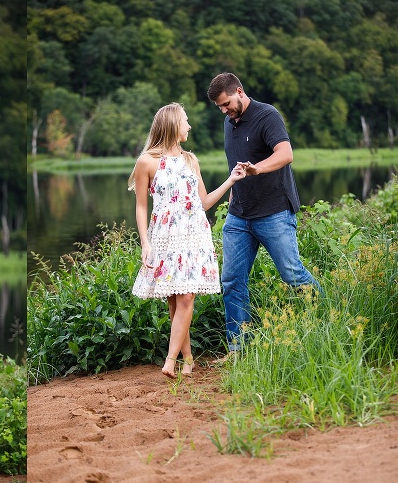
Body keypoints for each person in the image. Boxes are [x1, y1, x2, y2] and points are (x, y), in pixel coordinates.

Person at [207, 72, 321, 358]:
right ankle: (239, 348)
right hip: (238, 217)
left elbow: (285, 153)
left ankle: (328, 320)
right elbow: (235, 167)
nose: (224, 110)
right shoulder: (228, 122)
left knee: (293, 275)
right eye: (220, 107)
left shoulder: (267, 115)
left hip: (274, 212)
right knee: (232, 281)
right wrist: (232, 200)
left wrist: (257, 168)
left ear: (239, 91)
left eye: (226, 104)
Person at [128, 102, 246, 378]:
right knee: (175, 300)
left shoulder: (190, 160)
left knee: (186, 297)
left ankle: (170, 361)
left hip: (194, 236)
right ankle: (188, 360)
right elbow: (141, 207)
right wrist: (145, 243)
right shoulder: (147, 162)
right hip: (165, 237)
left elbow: (203, 202)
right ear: (172, 125)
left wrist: (231, 180)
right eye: (185, 121)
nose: (189, 126)